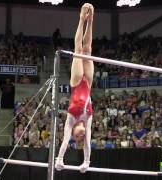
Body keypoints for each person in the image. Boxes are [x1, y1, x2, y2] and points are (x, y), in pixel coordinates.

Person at [55, 3, 94, 173]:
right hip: (89, 83)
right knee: (88, 50)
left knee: (79, 48)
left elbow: (65, 140)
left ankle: (81, 19)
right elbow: (87, 143)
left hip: (77, 82)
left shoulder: (70, 121)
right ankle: (91, 21)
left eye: (77, 136)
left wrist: (59, 159)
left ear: (73, 133)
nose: (82, 135)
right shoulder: (87, 120)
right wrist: (86, 162)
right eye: (82, 136)